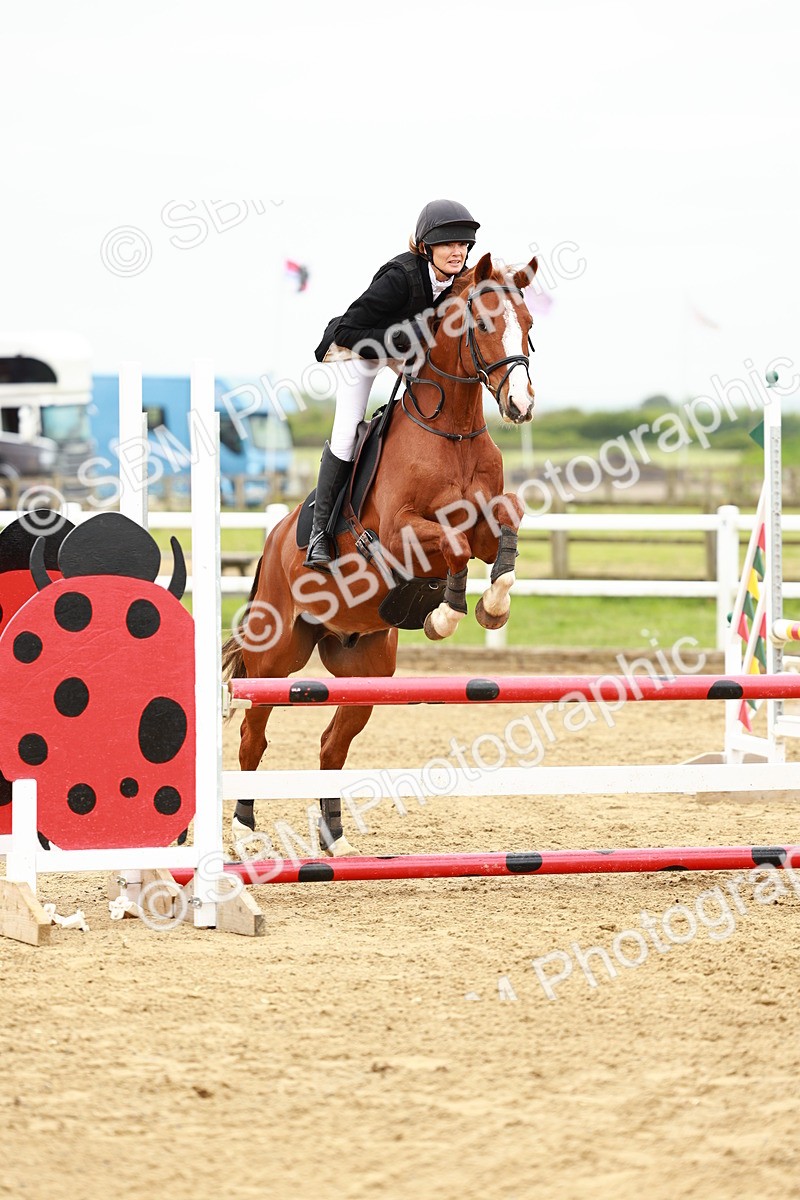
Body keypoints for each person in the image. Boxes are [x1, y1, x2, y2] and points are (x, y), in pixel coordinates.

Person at [304, 198, 481, 568]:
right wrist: (399, 341)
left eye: (463, 245)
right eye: (448, 244)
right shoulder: (399, 277)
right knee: (347, 432)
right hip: (361, 349)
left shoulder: (459, 279)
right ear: (426, 247)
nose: (457, 252)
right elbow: (349, 329)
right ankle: (320, 533)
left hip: (406, 348)